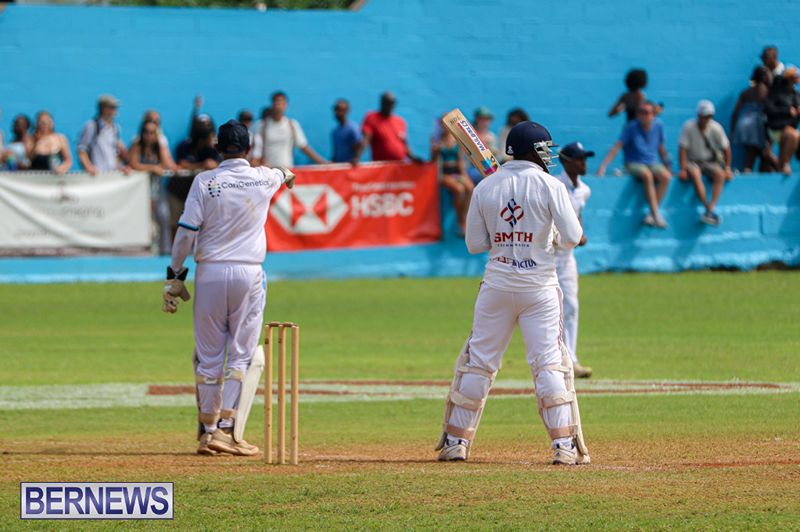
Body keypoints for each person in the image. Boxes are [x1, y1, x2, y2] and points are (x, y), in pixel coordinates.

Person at [435, 121, 590, 466]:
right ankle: (563, 446)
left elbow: (476, 244)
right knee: (548, 364)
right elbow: (572, 236)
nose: (549, 155)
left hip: (497, 286)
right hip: (540, 288)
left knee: (479, 364)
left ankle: (456, 442)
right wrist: (543, 236)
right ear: (534, 150)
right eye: (545, 149)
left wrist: (506, 236)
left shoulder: (486, 186)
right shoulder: (551, 185)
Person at [162, 120, 296, 456]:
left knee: (208, 357)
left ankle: (208, 431)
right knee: (241, 354)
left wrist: (175, 277)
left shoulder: (205, 181)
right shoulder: (263, 177)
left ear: (218, 148)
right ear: (249, 148)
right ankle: (226, 428)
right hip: (248, 274)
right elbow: (283, 172)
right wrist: (285, 173)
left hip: (209, 273)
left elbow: (186, 233)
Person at [597, 101, 672, 228]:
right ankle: (655, 214)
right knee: (647, 175)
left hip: (652, 162)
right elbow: (617, 146)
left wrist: (667, 163)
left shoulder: (659, 125)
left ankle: (651, 214)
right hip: (633, 163)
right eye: (641, 112)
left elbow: (660, 147)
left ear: (653, 115)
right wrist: (603, 166)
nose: (644, 115)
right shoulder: (631, 127)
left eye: (647, 112)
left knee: (666, 176)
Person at [554, 142, 593, 379]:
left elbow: (577, 216)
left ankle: (570, 360)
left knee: (571, 306)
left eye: (584, 159)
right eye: (579, 159)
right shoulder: (555, 186)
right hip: (547, 256)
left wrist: (581, 233)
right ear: (566, 161)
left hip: (567, 258)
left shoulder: (584, 190)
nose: (583, 163)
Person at [678, 100, 733, 226]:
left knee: (720, 174)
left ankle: (710, 208)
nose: (706, 119)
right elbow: (682, 149)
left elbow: (726, 149)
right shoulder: (688, 126)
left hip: (710, 161)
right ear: (699, 116)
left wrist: (728, 168)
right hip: (693, 161)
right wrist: (683, 168)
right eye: (704, 116)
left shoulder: (716, 128)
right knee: (696, 174)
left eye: (709, 116)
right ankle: (707, 208)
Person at [167, 119, 221, 238]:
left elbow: (220, 165)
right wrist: (202, 165)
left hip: (200, 195)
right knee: (176, 224)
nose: (213, 137)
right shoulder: (184, 146)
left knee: (201, 224)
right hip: (178, 193)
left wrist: (214, 165)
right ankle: (174, 252)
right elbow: (182, 163)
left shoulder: (214, 149)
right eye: (210, 134)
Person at [251, 91, 328, 167]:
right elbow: (256, 150)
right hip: (268, 172)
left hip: (287, 171)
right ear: (272, 104)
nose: (279, 106)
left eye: (282, 103)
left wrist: (324, 163)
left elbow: (303, 147)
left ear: (286, 105)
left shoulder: (292, 125)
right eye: (277, 103)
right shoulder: (262, 125)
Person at [352, 91, 423, 164]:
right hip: (382, 168)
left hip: (399, 167)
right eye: (387, 102)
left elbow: (404, 145)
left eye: (392, 102)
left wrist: (413, 158)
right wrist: (357, 157)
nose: (390, 105)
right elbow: (365, 140)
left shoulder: (400, 122)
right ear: (381, 102)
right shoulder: (371, 118)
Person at [731, 66, 777, 172]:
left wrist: (734, 130)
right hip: (759, 124)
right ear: (764, 77)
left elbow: (735, 112)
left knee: (751, 155)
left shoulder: (746, 92)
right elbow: (771, 111)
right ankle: (782, 169)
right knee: (766, 152)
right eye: (769, 75)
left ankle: (748, 172)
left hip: (744, 123)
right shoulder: (768, 91)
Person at [431, 127, 473, 234]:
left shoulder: (456, 138)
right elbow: (433, 161)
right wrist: (435, 151)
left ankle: (465, 216)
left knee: (470, 188)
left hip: (456, 172)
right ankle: (461, 221)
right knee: (459, 190)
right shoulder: (436, 139)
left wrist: (465, 176)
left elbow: (460, 161)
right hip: (444, 173)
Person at [77, 94, 129, 175]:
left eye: (115, 107)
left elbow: (115, 153)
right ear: (103, 108)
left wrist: (120, 167)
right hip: (96, 176)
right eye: (111, 107)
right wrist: (88, 167)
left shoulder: (115, 128)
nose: (115, 110)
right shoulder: (91, 126)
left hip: (112, 175)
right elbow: (82, 150)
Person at [764, 66, 800, 175]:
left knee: (793, 134)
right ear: (790, 78)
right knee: (792, 135)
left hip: (789, 129)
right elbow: (769, 109)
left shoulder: (796, 95)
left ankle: (780, 167)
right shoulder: (776, 92)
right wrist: (787, 111)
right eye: (796, 76)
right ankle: (785, 164)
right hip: (775, 129)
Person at [466, 107, 497, 184]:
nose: (485, 122)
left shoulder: (491, 136)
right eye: (482, 119)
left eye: (487, 119)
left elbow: (494, 158)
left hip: (489, 166)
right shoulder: (470, 135)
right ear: (477, 119)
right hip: (472, 167)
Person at [330, 98, 362, 163]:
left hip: (350, 169)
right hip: (339, 169)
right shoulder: (335, 132)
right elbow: (335, 152)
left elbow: (359, 144)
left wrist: (355, 159)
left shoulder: (353, 129)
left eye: (339, 110)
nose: (337, 112)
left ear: (346, 111)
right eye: (335, 109)